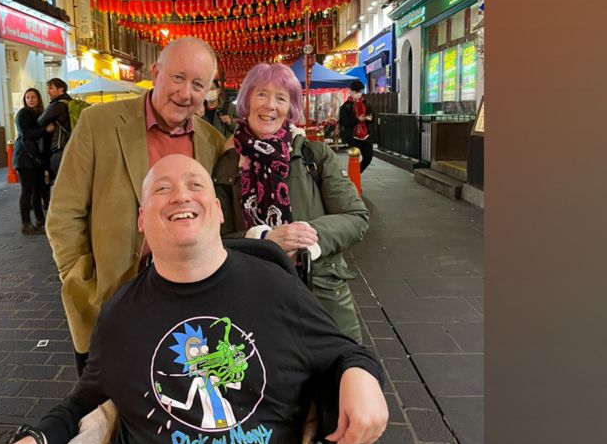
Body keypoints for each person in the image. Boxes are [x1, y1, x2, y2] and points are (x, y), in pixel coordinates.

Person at [0, 154, 389, 444]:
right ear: (142, 218)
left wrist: (360, 374)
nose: (180, 196)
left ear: (217, 210)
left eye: (195, 185)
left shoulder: (275, 290)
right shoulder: (121, 313)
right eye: (162, 188)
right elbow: (84, 401)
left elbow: (344, 353)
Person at [46, 37, 229, 376]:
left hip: (186, 309)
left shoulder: (212, 143)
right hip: (110, 301)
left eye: (198, 84)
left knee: (170, 404)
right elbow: (63, 214)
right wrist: (80, 279)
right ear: (156, 73)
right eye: (178, 78)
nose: (186, 92)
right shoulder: (97, 124)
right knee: (102, 412)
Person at [212, 63, 369, 344]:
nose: (270, 105)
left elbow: (356, 216)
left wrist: (305, 237)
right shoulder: (227, 165)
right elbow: (214, 237)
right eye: (261, 94)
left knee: (339, 377)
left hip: (319, 292)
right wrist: (265, 239)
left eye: (281, 98)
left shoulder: (314, 155)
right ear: (246, 100)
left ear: (290, 107)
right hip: (253, 300)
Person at [11, 88, 46, 235]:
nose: (30, 100)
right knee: (27, 192)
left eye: (33, 97)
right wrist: (46, 130)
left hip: (34, 158)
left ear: (38, 99)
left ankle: (40, 221)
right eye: (28, 97)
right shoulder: (23, 113)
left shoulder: (38, 113)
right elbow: (26, 134)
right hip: (25, 158)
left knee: (37, 191)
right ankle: (26, 224)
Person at [36, 77, 72, 211]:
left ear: (60, 89)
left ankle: (61, 212)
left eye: (51, 88)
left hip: (59, 148)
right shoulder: (70, 103)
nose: (48, 91)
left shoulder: (57, 105)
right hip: (71, 147)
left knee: (59, 182)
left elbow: (40, 121)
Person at [338, 79, 374, 172]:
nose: (359, 93)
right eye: (356, 91)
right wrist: (358, 119)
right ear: (351, 91)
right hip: (353, 136)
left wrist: (369, 118)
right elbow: (344, 122)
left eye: (360, 91)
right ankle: (354, 179)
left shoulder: (366, 103)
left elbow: (371, 116)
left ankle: (355, 175)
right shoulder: (345, 106)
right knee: (354, 159)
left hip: (365, 135)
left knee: (368, 158)